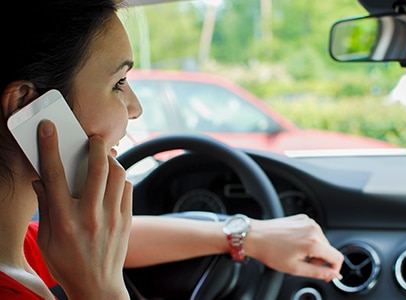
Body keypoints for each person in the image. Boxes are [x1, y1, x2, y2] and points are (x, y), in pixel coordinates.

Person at [0, 0, 343, 299]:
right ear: (27, 105)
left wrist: (247, 235)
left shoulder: (19, 249)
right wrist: (100, 290)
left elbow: (100, 240)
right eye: (118, 83)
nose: (135, 108)